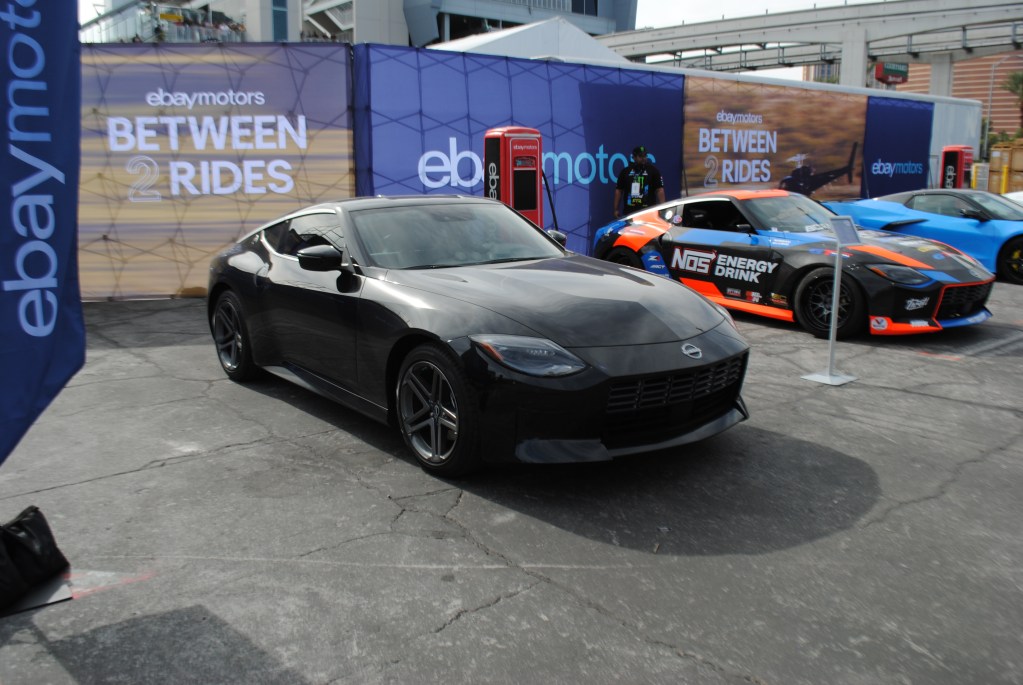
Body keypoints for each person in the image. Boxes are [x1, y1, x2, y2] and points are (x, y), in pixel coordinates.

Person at [613, 145, 665, 219]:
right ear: (633, 157)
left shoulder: (653, 171)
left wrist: (663, 209)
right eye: (640, 156)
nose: (643, 158)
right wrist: (616, 209)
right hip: (630, 212)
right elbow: (619, 190)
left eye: (645, 156)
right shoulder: (625, 172)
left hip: (648, 212)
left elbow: (659, 190)